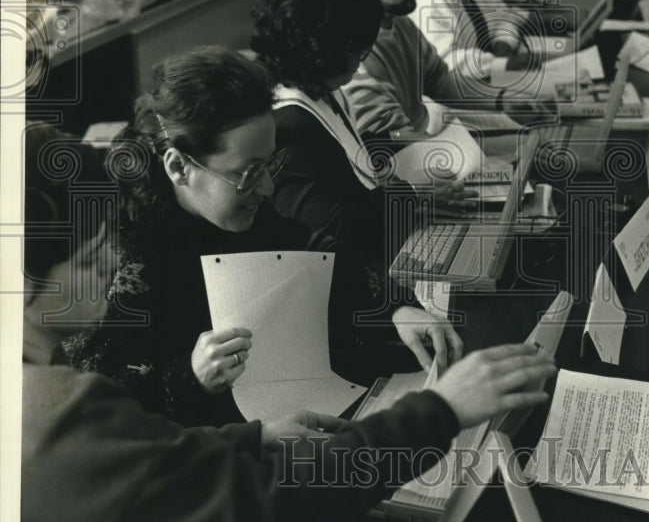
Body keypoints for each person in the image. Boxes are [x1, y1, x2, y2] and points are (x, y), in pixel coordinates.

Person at [20, 121, 557, 522]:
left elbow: (131, 464)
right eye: (91, 257)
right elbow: (266, 514)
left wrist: (249, 439)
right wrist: (440, 410)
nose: (112, 262)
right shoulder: (49, 418)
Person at [61, 46, 460, 420]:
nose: (267, 188)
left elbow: (309, 251)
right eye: (246, 173)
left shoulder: (236, 199)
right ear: (178, 167)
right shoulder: (112, 251)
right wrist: (191, 377)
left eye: (269, 165)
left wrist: (394, 310)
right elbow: (93, 406)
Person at [250, 0, 468, 367]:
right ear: (330, 50)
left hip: (383, 266)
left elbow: (357, 169)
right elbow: (334, 232)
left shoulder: (322, 94)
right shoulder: (289, 128)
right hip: (346, 308)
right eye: (359, 50)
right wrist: (413, 199)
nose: (361, 61)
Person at [338, 0, 523, 145]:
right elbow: (394, 142)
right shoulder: (355, 53)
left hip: (425, 142)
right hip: (409, 157)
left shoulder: (400, 23)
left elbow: (442, 81)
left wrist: (502, 100)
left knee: (530, 135)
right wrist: (508, 146)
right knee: (531, 146)